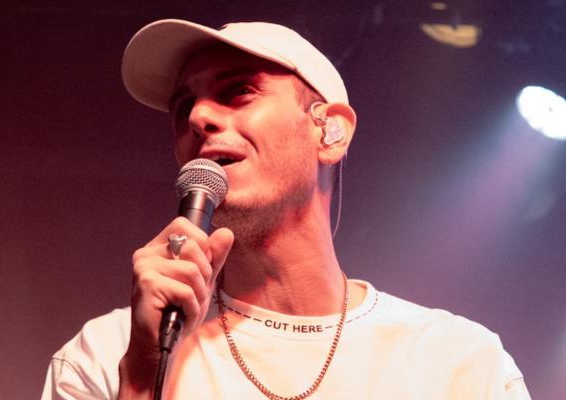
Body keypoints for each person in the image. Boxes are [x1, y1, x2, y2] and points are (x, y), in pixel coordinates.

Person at [42, 19, 531, 399]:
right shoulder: (106, 353)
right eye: (183, 107)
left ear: (330, 132)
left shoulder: (458, 363)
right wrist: (142, 378)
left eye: (238, 91)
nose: (198, 117)